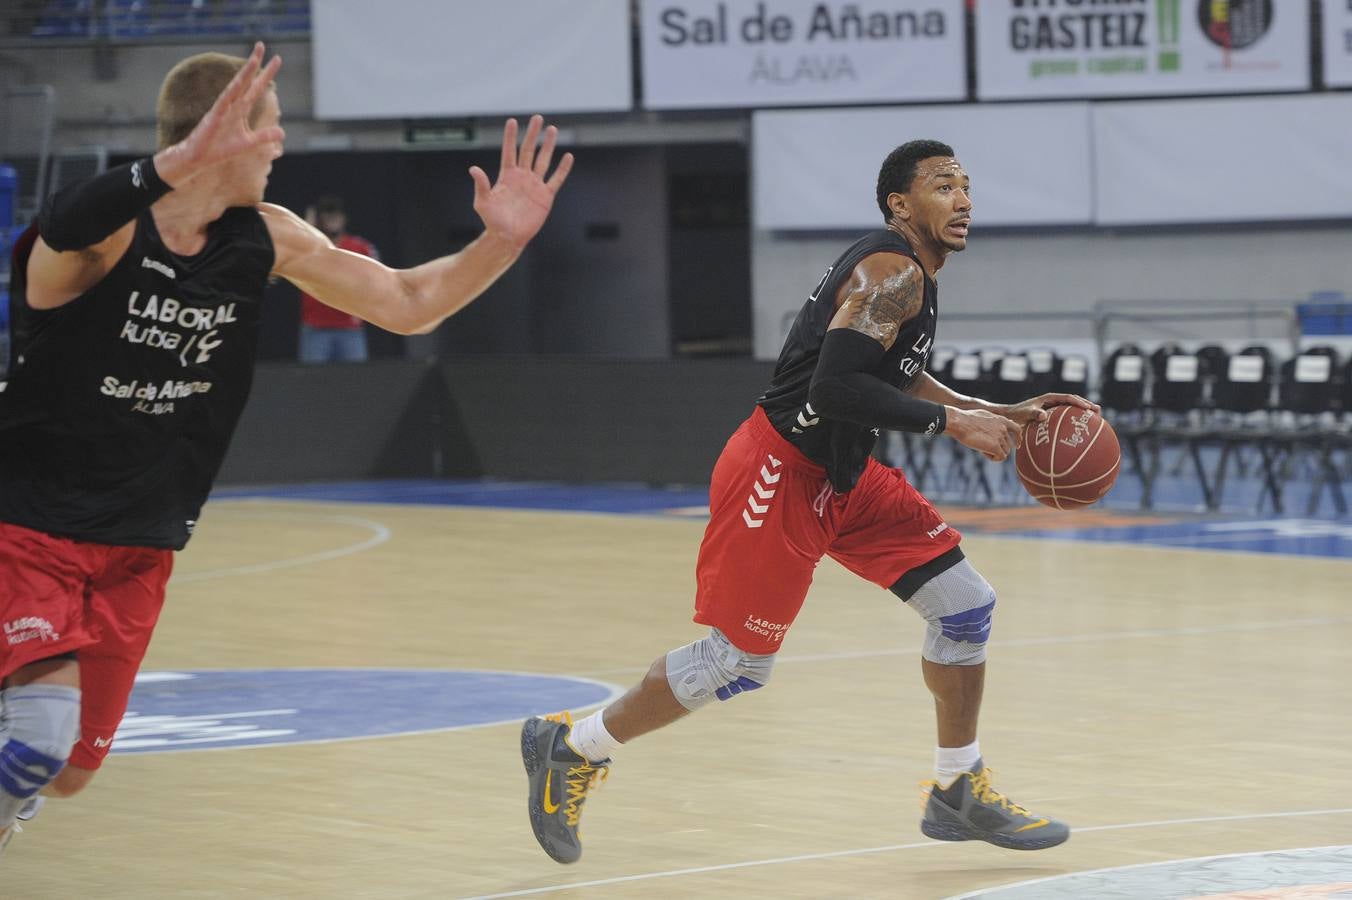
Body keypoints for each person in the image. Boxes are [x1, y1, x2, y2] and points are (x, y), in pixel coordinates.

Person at [0, 42, 573, 854]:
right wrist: (172, 168)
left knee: (67, 772)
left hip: (139, 541)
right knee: (38, 740)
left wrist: (500, 244)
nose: (279, 146)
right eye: (269, 128)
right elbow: (57, 229)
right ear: (222, 132)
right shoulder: (107, 233)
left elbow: (409, 301)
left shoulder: (266, 237)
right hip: (28, 523)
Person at [520, 140, 1099, 863]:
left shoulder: (911, 275)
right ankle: (573, 746)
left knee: (963, 606)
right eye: (944, 185)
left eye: (966, 186)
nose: (963, 200)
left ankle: (957, 787)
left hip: (843, 476)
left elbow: (892, 372)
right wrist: (953, 424)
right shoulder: (892, 272)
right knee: (737, 663)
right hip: (780, 471)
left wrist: (992, 410)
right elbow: (835, 387)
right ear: (900, 205)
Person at [297, 194, 377, 363]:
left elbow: (377, 282)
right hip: (316, 328)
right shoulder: (309, 247)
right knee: (312, 378)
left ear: (344, 218)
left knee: (356, 378)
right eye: (327, 216)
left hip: (350, 329)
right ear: (319, 219)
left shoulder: (360, 247)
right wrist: (306, 230)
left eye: (336, 215)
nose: (332, 220)